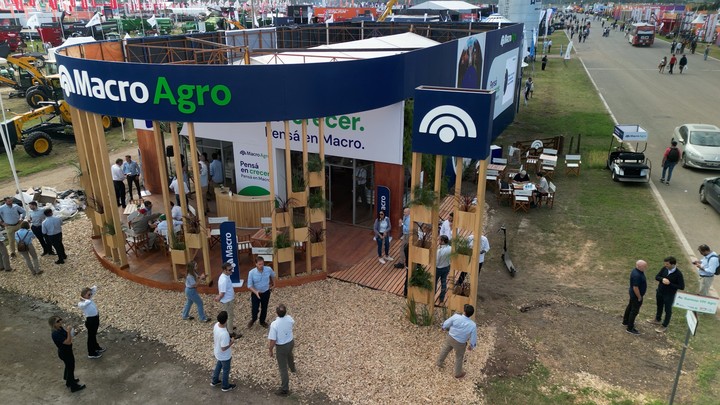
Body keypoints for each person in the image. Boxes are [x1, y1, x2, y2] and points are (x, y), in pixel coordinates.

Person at [436, 304, 477, 379]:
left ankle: (439, 362)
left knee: (445, 350)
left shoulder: (456, 317)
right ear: (471, 314)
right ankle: (458, 373)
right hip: (460, 343)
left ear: (464, 311)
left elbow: (447, 323)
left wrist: (443, 327)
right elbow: (473, 337)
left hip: (450, 337)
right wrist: (471, 346)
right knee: (459, 357)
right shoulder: (473, 325)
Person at [647, 256, 684, 333]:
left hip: (669, 295)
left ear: (673, 264)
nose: (665, 265)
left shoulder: (678, 274)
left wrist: (670, 283)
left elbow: (681, 286)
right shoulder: (664, 269)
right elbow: (657, 277)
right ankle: (657, 319)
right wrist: (662, 279)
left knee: (668, 310)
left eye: (667, 264)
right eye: (665, 264)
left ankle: (664, 325)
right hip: (660, 292)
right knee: (659, 306)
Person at [49, 315, 86, 392]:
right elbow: (68, 342)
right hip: (65, 353)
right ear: (54, 324)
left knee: (69, 366)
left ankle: (68, 380)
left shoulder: (60, 328)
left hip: (67, 351)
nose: (60, 322)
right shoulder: (55, 334)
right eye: (58, 321)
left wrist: (74, 332)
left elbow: (68, 336)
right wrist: (69, 331)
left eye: (60, 320)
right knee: (70, 367)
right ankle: (73, 386)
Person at [267, 304, 296, 397]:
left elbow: (273, 340)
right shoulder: (289, 318)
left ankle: (285, 389)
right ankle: (293, 369)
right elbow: (292, 322)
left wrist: (270, 349)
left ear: (276, 313)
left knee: (283, 368)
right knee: (290, 355)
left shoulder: (274, 324)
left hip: (281, 346)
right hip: (290, 342)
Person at [210, 311, 236, 392]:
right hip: (224, 355)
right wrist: (231, 342)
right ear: (226, 320)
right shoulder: (224, 334)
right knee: (226, 370)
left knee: (218, 365)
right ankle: (225, 386)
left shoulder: (216, 325)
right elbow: (224, 348)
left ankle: (214, 380)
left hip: (217, 352)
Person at [247, 256, 276, 328]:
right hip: (255, 294)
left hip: (266, 292)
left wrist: (274, 284)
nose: (261, 266)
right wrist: (255, 292)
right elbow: (249, 285)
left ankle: (262, 321)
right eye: (259, 264)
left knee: (264, 307)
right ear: (256, 264)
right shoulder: (251, 273)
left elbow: (273, 275)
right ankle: (253, 319)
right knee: (254, 308)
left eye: (262, 264)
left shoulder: (268, 269)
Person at [78, 285, 105, 358]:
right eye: (89, 294)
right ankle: (91, 353)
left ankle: (96, 347)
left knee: (93, 335)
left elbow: (94, 289)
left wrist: (89, 290)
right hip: (90, 320)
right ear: (84, 295)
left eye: (90, 294)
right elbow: (84, 304)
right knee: (91, 337)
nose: (90, 295)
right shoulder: (82, 303)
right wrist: (84, 299)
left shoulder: (89, 298)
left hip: (95, 318)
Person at [622, 260, 647, 335]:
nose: (646, 267)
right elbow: (635, 287)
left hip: (633, 295)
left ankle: (625, 321)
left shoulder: (636, 271)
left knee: (630, 307)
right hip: (636, 296)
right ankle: (630, 328)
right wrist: (639, 297)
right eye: (644, 266)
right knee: (634, 311)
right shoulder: (637, 275)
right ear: (639, 266)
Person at [214, 262, 237, 336]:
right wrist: (218, 298)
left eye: (232, 269)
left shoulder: (226, 276)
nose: (231, 271)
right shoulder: (223, 280)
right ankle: (230, 332)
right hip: (227, 300)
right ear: (224, 270)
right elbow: (222, 293)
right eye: (229, 270)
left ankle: (229, 327)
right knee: (230, 316)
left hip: (228, 299)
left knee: (229, 314)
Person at [436, 235, 451, 303]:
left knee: (434, 282)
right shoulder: (450, 248)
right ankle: (442, 298)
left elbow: (437, 261)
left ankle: (432, 295)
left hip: (438, 268)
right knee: (444, 282)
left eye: (439, 240)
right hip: (447, 267)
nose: (438, 241)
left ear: (443, 241)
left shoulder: (439, 251)